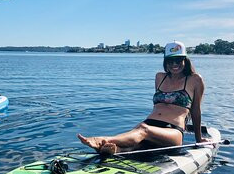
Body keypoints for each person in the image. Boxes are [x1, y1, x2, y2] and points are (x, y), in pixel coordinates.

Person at [77, 41, 210, 156]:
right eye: (170, 60)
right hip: (150, 124)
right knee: (136, 142)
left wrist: (199, 139)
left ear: (185, 60)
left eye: (178, 60)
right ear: (165, 61)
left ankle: (101, 140)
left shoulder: (195, 80)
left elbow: (196, 111)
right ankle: (115, 150)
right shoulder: (159, 77)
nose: (174, 64)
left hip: (173, 131)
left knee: (142, 130)